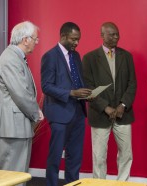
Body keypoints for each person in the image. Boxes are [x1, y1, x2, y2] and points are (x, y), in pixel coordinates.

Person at [82, 22, 137, 181]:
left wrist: (123, 105)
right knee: (99, 157)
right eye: (111, 34)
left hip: (123, 114)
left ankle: (123, 184)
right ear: (102, 35)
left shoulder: (126, 56)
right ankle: (99, 184)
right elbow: (88, 88)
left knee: (126, 154)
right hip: (100, 114)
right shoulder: (89, 58)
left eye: (117, 34)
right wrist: (105, 108)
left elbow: (132, 83)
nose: (115, 37)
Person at [0, 21, 44, 177]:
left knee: (17, 174)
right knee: (12, 175)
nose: (36, 42)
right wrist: (36, 113)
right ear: (25, 39)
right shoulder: (11, 59)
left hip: (16, 126)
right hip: (12, 127)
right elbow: (21, 93)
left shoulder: (15, 57)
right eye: (35, 39)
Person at [41, 22, 92, 186]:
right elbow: (46, 86)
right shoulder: (50, 56)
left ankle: (72, 184)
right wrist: (70, 93)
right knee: (55, 156)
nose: (76, 43)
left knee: (75, 156)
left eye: (78, 39)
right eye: (73, 39)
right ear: (63, 36)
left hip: (78, 112)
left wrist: (86, 94)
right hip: (59, 114)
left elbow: (77, 82)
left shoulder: (76, 56)